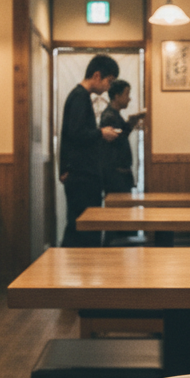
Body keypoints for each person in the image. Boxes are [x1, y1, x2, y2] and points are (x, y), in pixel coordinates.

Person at [59, 54, 121, 246]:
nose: (109, 87)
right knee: (83, 228)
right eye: (108, 81)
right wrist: (101, 133)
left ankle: (78, 271)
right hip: (82, 175)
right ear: (96, 76)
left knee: (79, 226)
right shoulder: (80, 97)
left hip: (79, 173)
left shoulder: (79, 96)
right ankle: (77, 270)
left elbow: (69, 135)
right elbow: (76, 133)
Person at [100, 79, 145, 194]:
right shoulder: (109, 116)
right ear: (117, 96)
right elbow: (117, 140)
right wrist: (129, 123)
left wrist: (131, 121)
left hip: (119, 175)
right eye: (127, 94)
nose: (129, 98)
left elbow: (121, 135)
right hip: (116, 176)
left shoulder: (114, 115)